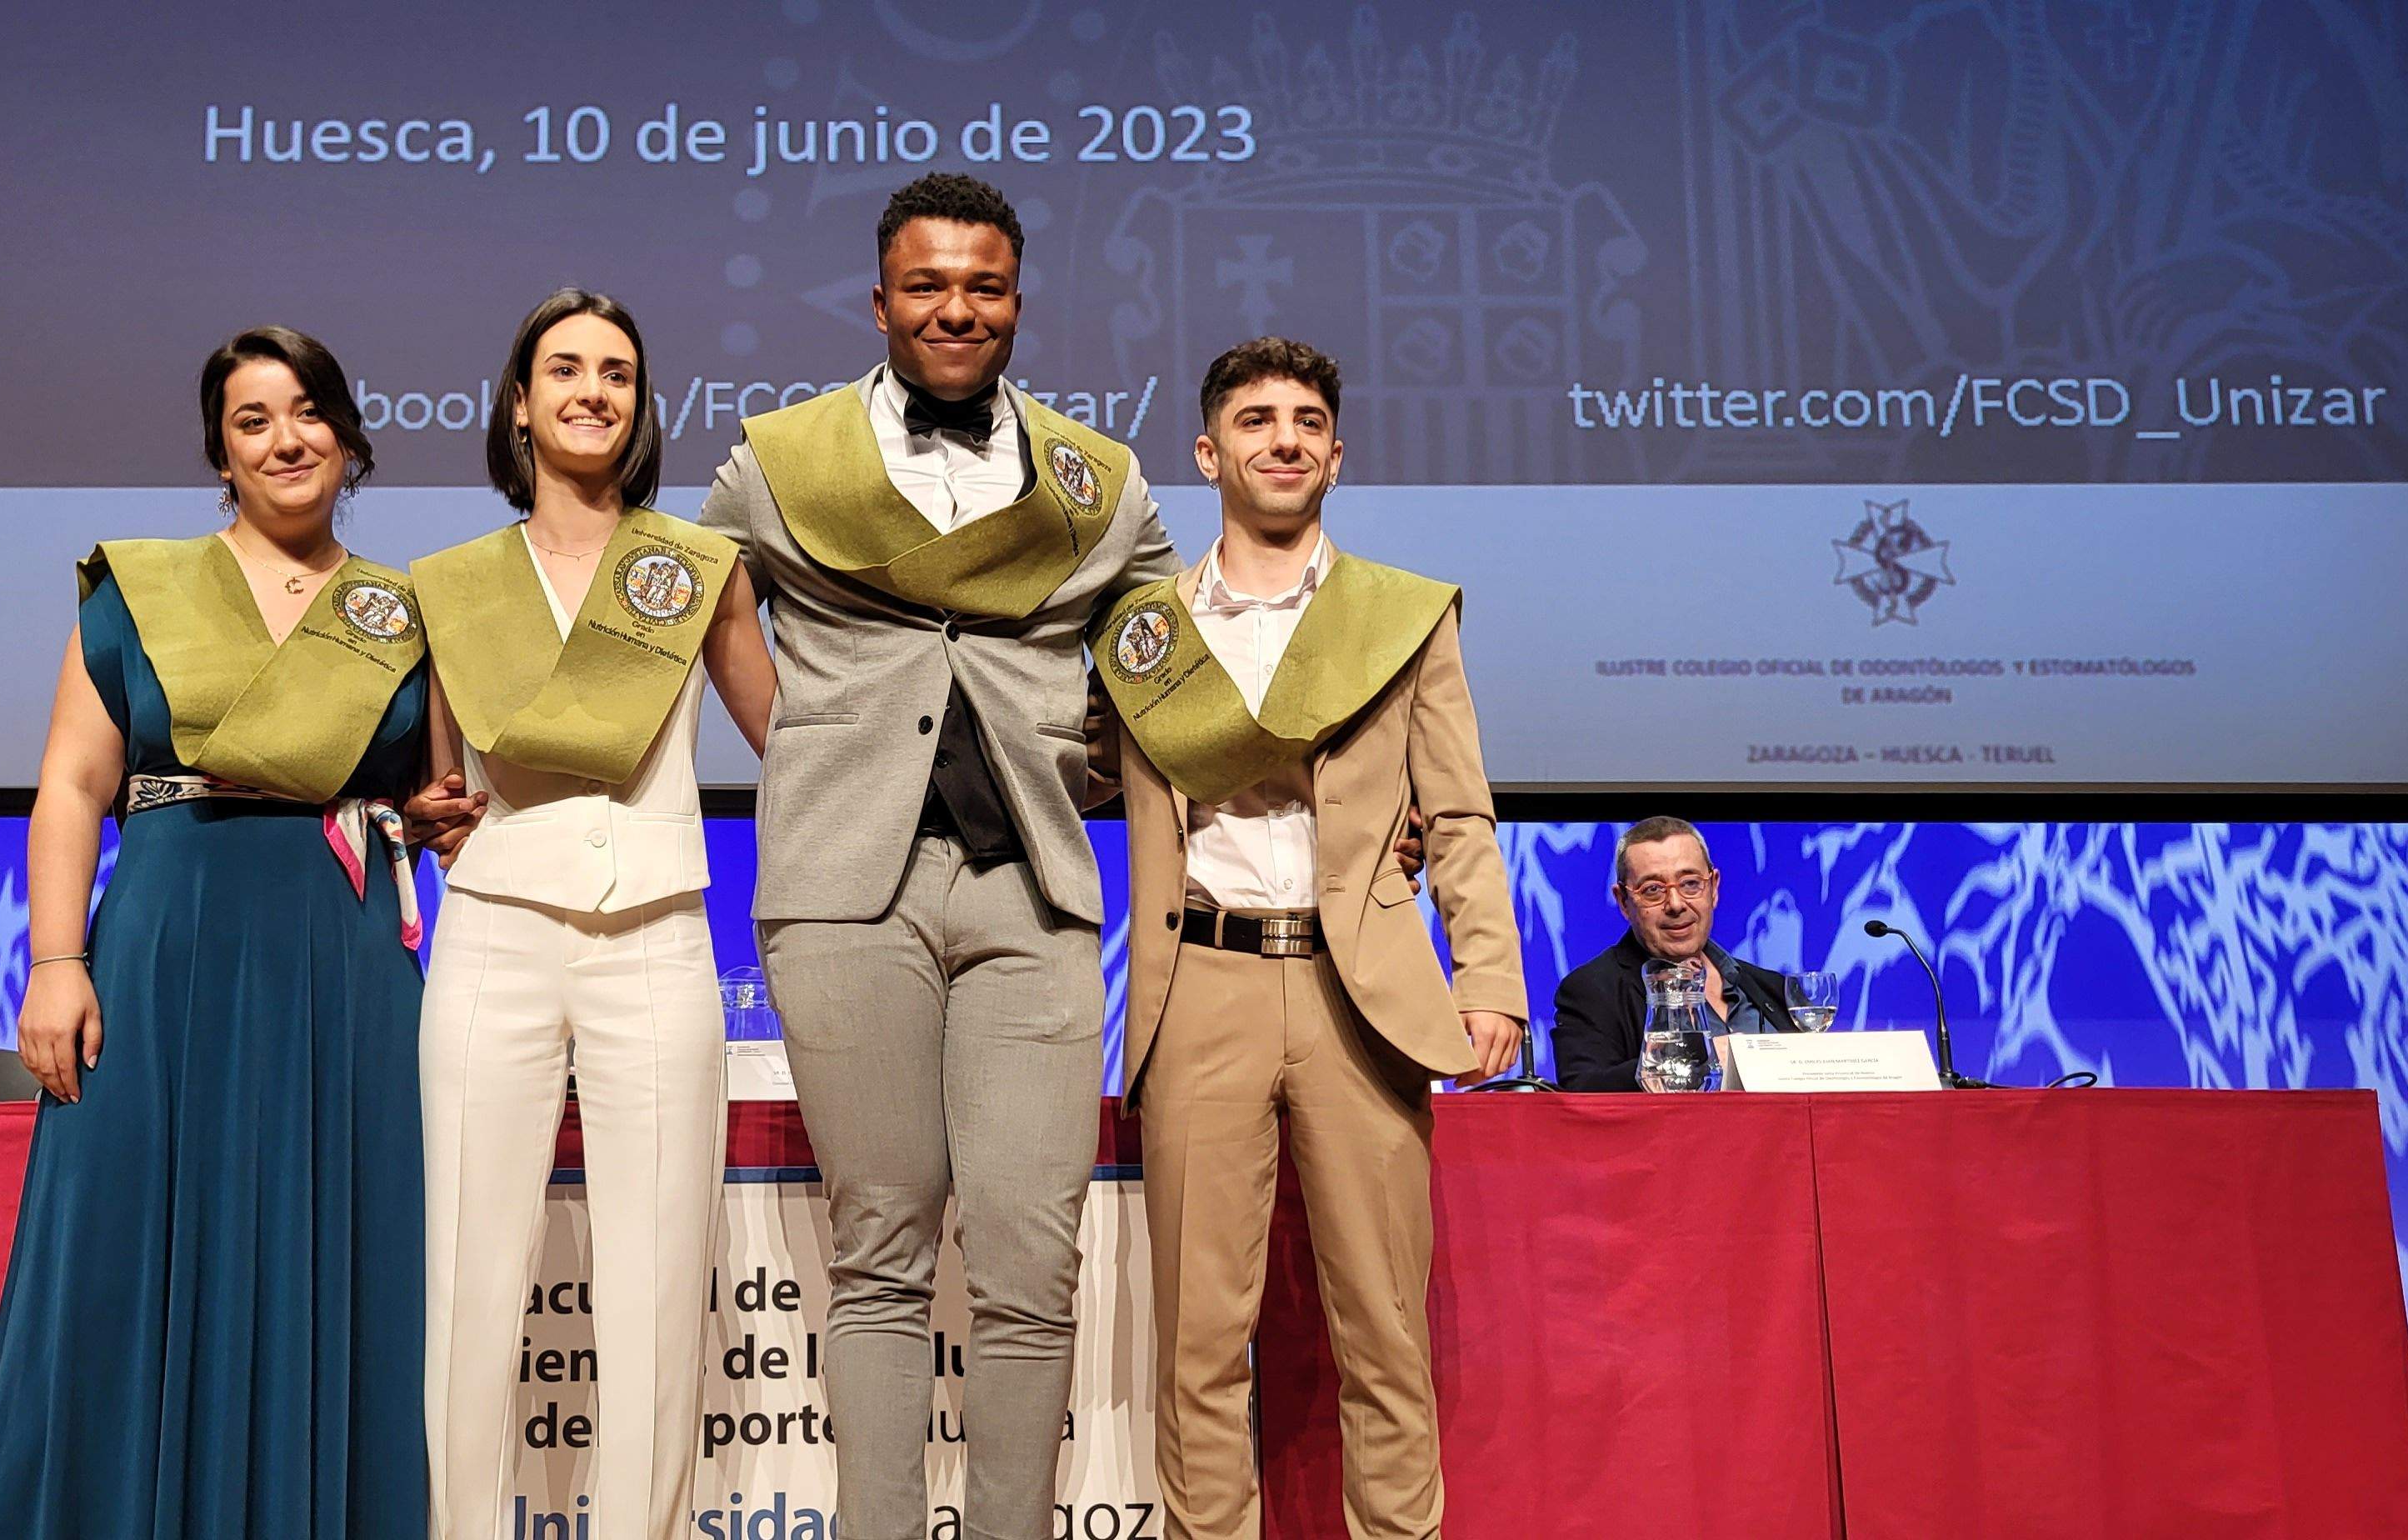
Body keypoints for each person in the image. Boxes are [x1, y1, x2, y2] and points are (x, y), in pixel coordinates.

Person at [696, 172, 1179, 1540]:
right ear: (880, 301)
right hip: (846, 890)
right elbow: (706, 592)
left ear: (1017, 301)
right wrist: (799, 740)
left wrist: (1084, 750)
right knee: (881, 1251)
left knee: (1032, 1258)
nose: (955, 308)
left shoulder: (1097, 478)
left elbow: (1162, 644)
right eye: (927, 285)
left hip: (1033, 888)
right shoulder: (779, 459)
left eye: (983, 286)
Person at [0, 325, 462, 1539]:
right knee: (115, 1248)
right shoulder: (140, 590)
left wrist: (441, 817)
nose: (286, 440)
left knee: (346, 1248)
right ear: (220, 455)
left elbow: (437, 797)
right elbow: (73, 785)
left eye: (309, 413)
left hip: (341, 958)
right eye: (252, 421)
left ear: (349, 439)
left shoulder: (408, 610)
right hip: (165, 948)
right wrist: (56, 963)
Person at [1092, 338, 1524, 1540]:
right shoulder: (1143, 632)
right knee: (1197, 1342)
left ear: (1336, 455)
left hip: (1359, 994)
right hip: (1200, 985)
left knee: (1384, 1331)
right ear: (1206, 453)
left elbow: (1459, 812)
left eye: (1306, 422)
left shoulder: (1400, 615)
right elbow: (1078, 768)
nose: (1282, 439)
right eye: (1255, 420)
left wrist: (1488, 976)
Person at [407, 290, 777, 1540]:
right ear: (519, 403)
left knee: (660, 1290)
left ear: (641, 405)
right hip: (494, 933)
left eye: (616, 373)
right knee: (468, 1285)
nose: (592, 392)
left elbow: (790, 741)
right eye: (563, 370)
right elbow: (439, 784)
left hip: (658, 935)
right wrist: (418, 812)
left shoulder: (698, 569)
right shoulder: (453, 584)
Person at [1547, 815, 1796, 1092]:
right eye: (1653, 890)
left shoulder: (1771, 988)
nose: (1675, 904)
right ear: (1624, 902)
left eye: (1690, 884)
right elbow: (1583, 1090)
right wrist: (1698, 1058)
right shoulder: (1591, 991)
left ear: (1713, 888)